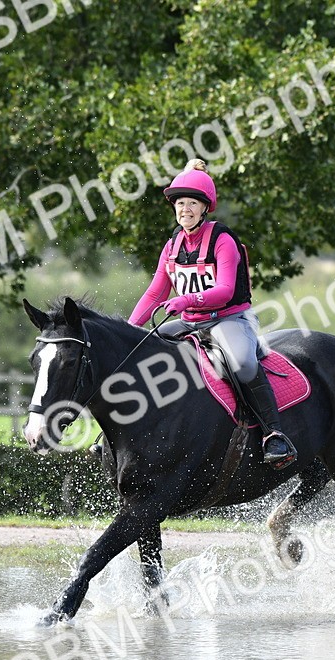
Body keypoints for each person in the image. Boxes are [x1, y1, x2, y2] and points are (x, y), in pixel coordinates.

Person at [128, 159, 297, 469]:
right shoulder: (171, 247)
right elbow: (155, 293)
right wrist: (130, 329)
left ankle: (274, 435)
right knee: (140, 352)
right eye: (180, 203)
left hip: (228, 319)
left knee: (243, 363)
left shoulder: (223, 240)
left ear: (205, 208)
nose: (185, 209)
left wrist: (187, 299)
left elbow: (225, 289)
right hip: (190, 322)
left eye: (192, 203)